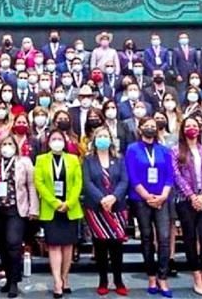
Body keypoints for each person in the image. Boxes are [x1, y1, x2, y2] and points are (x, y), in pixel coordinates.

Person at [125, 116, 173, 297]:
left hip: (162, 198)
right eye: (147, 126)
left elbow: (170, 175)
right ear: (140, 129)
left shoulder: (164, 150)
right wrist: (146, 196)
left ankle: (163, 276)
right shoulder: (132, 149)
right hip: (140, 198)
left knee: (164, 237)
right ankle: (151, 276)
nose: (150, 128)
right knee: (146, 237)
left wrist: (163, 196)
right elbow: (132, 175)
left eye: (153, 126)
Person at [171, 116, 202, 295]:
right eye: (188, 125)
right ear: (183, 130)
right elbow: (176, 176)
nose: (191, 128)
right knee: (189, 239)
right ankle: (196, 275)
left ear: (200, 129)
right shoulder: (175, 151)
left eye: (194, 125)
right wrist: (191, 196)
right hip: (185, 201)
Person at [35, 130, 82, 298]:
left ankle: (65, 277)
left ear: (65, 141)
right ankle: (57, 281)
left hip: (70, 207)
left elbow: (78, 182)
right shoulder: (41, 160)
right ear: (48, 142)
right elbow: (39, 183)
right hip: (50, 208)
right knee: (54, 245)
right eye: (53, 139)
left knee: (68, 245)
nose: (56, 142)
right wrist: (55, 203)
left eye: (59, 139)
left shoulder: (73, 159)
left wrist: (69, 203)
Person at [82, 126, 128, 296]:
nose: (102, 138)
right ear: (94, 140)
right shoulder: (88, 160)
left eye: (105, 136)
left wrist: (113, 197)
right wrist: (102, 199)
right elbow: (87, 183)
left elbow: (124, 181)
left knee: (117, 247)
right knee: (100, 247)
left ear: (110, 139)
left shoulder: (119, 159)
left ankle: (118, 281)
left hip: (117, 208)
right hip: (96, 209)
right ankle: (103, 281)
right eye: (99, 136)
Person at [0, 134, 38, 299]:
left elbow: (31, 185)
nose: (7, 147)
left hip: (16, 209)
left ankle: (14, 281)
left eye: (10, 144)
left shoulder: (24, 162)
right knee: (3, 245)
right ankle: (8, 278)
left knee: (13, 243)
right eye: (4, 144)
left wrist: (34, 208)